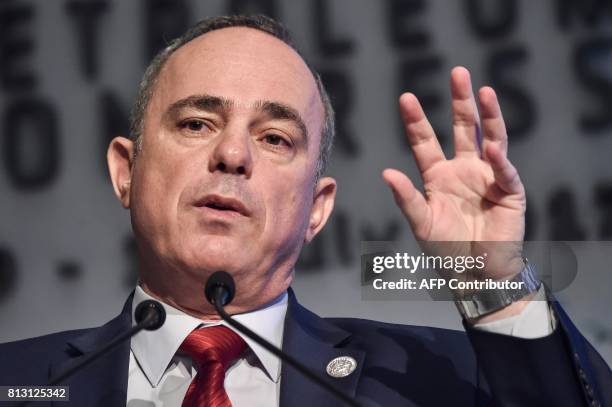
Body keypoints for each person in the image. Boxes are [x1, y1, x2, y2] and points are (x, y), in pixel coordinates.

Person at [0, 15, 610, 407]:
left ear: (317, 210)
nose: (232, 153)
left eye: (274, 138)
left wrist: (495, 285)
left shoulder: (441, 381)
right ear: (125, 171)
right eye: (196, 123)